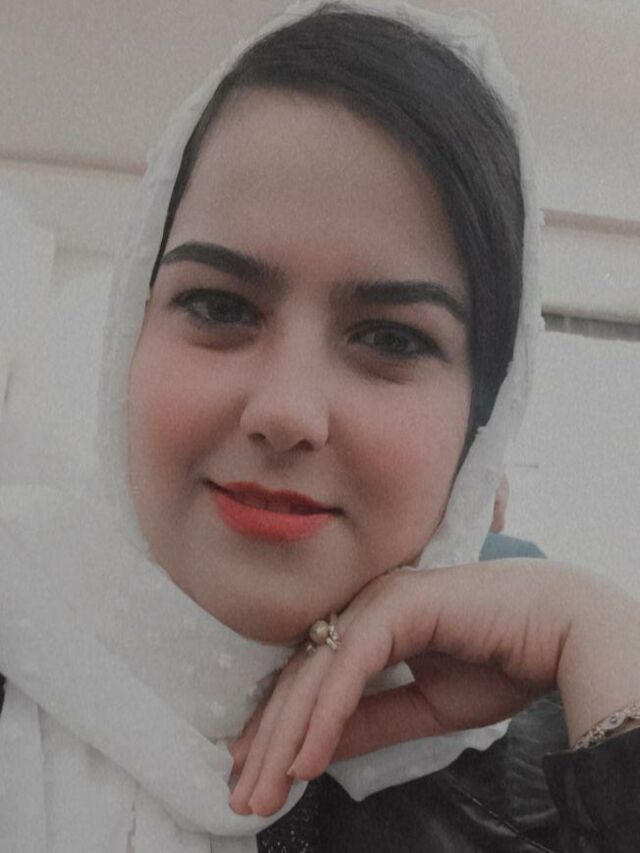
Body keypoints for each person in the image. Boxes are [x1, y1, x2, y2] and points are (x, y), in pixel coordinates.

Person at [0, 2, 639, 852]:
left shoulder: (558, 774)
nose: (284, 411)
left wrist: (601, 634)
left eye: (391, 338)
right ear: (131, 333)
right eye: (219, 306)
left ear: (479, 431)